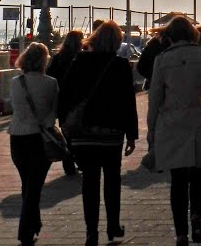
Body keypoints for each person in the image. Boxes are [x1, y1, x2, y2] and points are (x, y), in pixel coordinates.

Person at [147, 14, 201, 246]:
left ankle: (181, 232)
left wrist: (151, 129)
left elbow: (155, 98)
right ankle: (196, 215)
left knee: (178, 181)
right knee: (200, 175)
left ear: (169, 36)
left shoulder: (162, 60)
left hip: (173, 126)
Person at [59, 20, 137, 246]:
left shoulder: (79, 62)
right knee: (112, 181)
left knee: (90, 183)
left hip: (83, 134)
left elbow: (65, 95)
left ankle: (91, 231)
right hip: (111, 134)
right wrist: (131, 134)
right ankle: (113, 226)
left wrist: (65, 125)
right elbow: (127, 102)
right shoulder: (120, 65)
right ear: (116, 42)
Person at [9, 42, 59, 246]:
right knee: (34, 185)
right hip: (39, 139)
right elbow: (53, 113)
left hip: (17, 137)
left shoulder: (14, 82)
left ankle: (33, 222)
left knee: (27, 183)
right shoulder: (50, 83)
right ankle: (25, 230)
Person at [47, 29, 84, 175]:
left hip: (62, 101)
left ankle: (68, 163)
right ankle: (79, 160)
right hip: (77, 101)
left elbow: (50, 77)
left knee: (66, 132)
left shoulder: (58, 58)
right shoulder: (81, 59)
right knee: (78, 132)